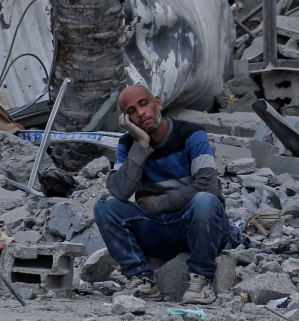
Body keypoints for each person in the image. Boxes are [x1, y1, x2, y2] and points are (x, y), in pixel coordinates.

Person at [93, 84, 232, 305]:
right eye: (131, 111)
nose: (140, 113)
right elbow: (119, 191)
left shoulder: (191, 133)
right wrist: (141, 145)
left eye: (143, 104)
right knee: (104, 206)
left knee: (205, 201)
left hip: (199, 226)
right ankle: (142, 281)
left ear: (157, 103)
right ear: (126, 120)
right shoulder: (128, 144)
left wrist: (160, 203)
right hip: (157, 229)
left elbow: (208, 186)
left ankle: (201, 281)